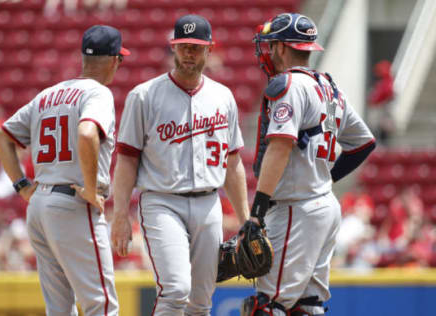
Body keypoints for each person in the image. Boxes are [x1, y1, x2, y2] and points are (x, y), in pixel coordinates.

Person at [111, 14, 249, 316]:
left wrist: (246, 218)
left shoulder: (223, 97)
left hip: (209, 202)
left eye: (196, 47)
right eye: (183, 46)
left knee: (201, 302)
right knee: (175, 289)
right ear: (173, 48)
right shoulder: (144, 96)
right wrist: (120, 214)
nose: (189, 53)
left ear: (209, 49)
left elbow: (233, 161)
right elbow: (126, 159)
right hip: (162, 202)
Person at [240, 13, 376, 316]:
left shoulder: (289, 85)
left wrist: (256, 213)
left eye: (271, 44)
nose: (267, 51)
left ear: (282, 47)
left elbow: (280, 147)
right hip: (325, 208)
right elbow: (364, 143)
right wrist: (324, 179)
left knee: (265, 305)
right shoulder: (329, 87)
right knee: (307, 305)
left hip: (294, 209)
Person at [0, 25, 130, 316]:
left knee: (59, 309)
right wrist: (91, 191)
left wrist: (23, 186)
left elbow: (1, 138)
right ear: (115, 59)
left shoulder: (47, 95)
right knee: (101, 306)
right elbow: (88, 133)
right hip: (73, 204)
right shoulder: (99, 93)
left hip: (40, 205)